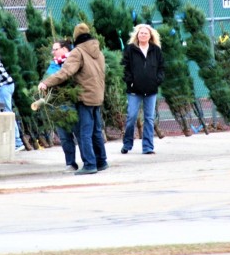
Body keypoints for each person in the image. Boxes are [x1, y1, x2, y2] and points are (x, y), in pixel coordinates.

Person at [38, 23, 108, 175]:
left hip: (84, 96)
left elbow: (66, 72)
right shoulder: (99, 52)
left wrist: (46, 82)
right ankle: (101, 161)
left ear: (76, 37)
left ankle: (90, 164)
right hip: (97, 95)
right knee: (96, 131)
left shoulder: (78, 52)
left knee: (85, 132)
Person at [120, 24, 164, 155]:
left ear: (150, 36)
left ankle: (148, 147)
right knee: (131, 117)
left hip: (151, 90)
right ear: (137, 35)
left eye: (146, 33)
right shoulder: (130, 49)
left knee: (149, 119)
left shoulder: (156, 50)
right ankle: (127, 144)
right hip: (134, 90)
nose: (143, 35)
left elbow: (161, 67)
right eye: (141, 33)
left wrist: (158, 80)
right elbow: (124, 67)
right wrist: (130, 82)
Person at [44, 39, 80, 172]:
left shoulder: (73, 62)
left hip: (73, 105)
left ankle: (89, 161)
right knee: (65, 137)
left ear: (65, 49)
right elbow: (47, 78)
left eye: (55, 49)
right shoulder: (53, 64)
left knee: (80, 135)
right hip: (58, 107)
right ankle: (70, 163)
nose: (53, 52)